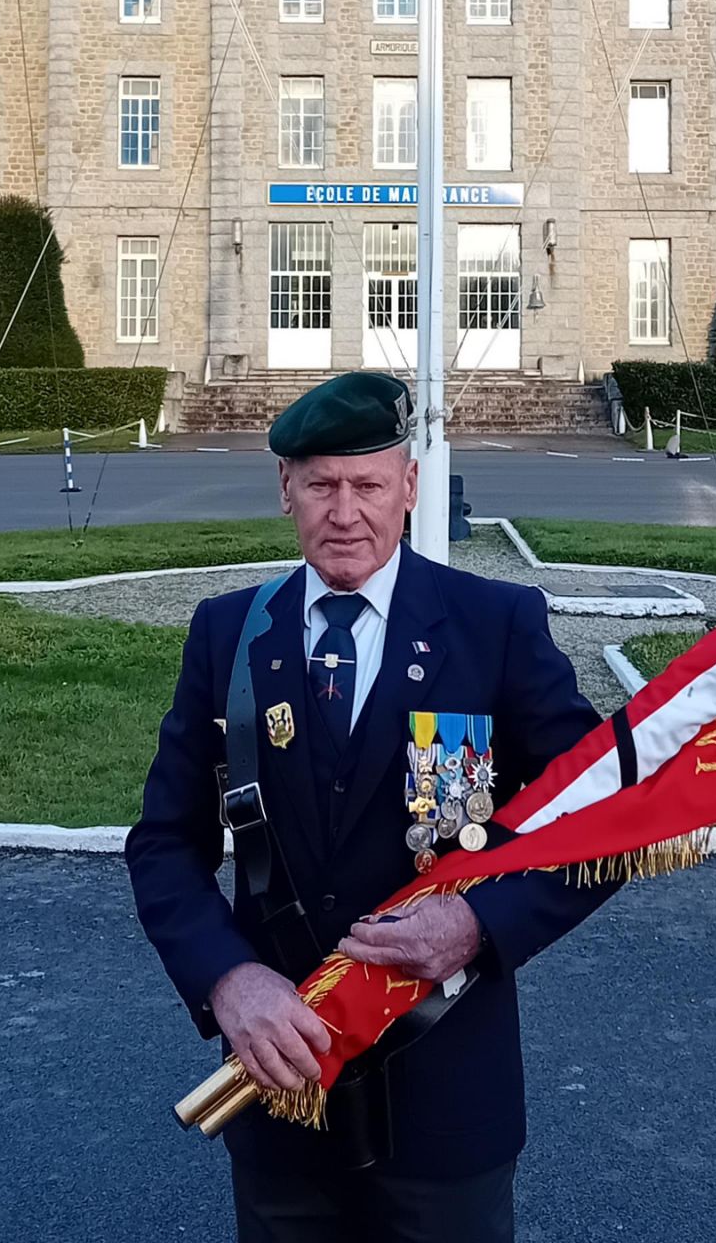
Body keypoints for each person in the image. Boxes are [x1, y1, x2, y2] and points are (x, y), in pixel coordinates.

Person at [128, 372, 618, 1242]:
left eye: (368, 484)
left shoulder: (493, 625)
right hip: (281, 1086)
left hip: (445, 1097)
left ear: (410, 486)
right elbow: (166, 841)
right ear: (285, 490)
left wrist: (479, 923)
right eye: (321, 485)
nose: (345, 513)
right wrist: (226, 979)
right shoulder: (228, 635)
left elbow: (601, 818)